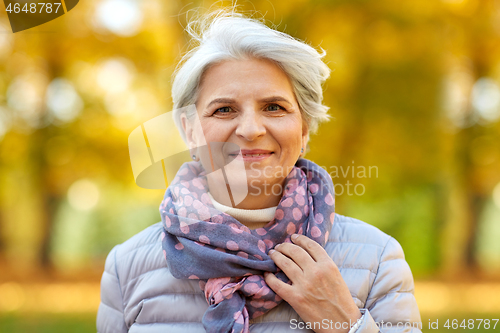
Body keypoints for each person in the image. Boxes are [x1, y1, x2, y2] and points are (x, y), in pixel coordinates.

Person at [97, 8, 422, 333]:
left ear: (305, 129)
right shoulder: (126, 269)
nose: (251, 129)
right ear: (191, 132)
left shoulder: (377, 260)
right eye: (224, 109)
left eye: (274, 107)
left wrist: (346, 325)